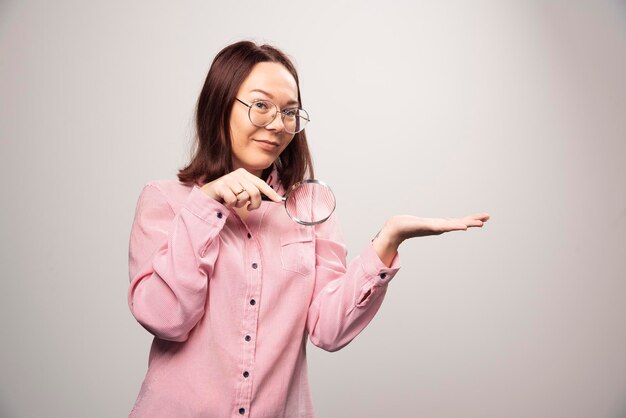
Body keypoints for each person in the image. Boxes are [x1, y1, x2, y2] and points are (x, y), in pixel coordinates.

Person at [127, 40, 489, 418]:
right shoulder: (166, 201)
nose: (277, 124)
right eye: (261, 105)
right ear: (220, 104)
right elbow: (166, 318)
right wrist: (205, 208)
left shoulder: (310, 209)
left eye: (289, 112)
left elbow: (328, 330)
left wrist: (387, 241)